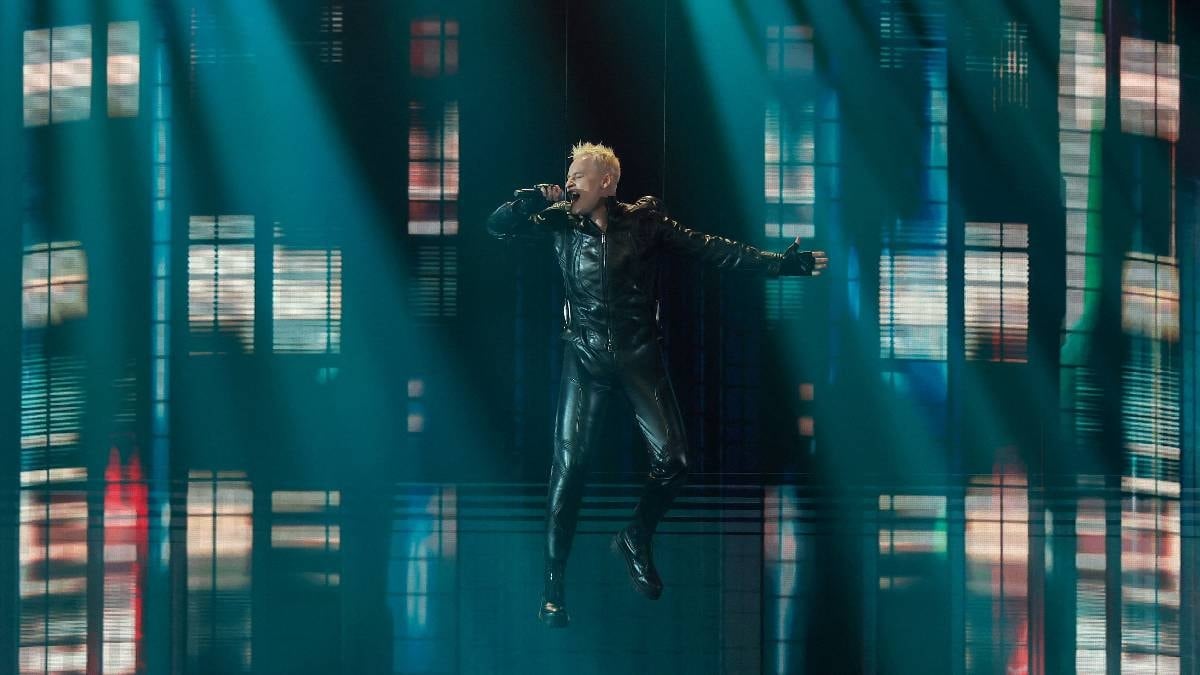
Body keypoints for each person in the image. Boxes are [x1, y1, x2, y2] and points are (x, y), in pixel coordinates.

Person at [487, 141, 827, 628]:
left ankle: (635, 536)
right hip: (584, 358)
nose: (570, 182)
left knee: (676, 462)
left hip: (638, 355)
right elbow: (497, 227)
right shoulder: (558, 221)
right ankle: (553, 584)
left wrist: (779, 263)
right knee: (570, 467)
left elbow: (712, 248)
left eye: (580, 175)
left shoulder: (643, 223)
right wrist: (528, 201)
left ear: (607, 182)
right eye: (569, 174)